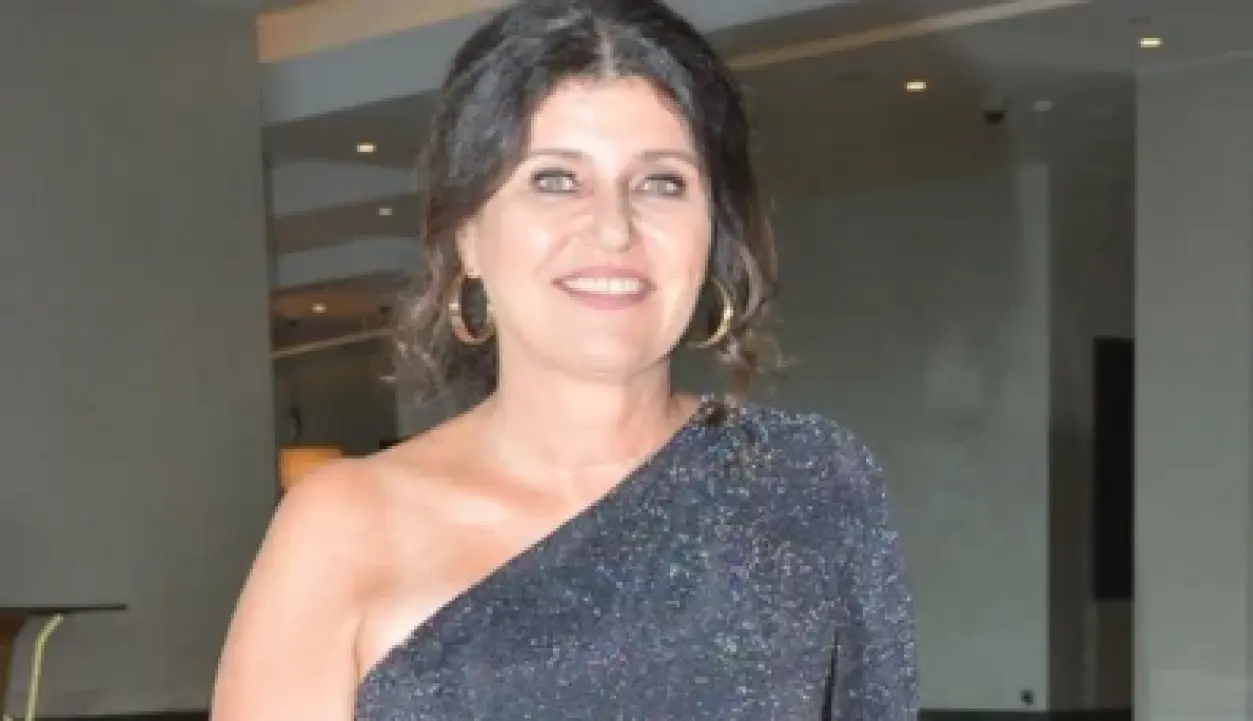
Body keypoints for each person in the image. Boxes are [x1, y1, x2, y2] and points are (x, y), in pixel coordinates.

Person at [211, 0, 919, 719]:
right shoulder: (343, 524)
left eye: (661, 182)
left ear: (715, 230)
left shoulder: (808, 484)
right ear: (467, 234)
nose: (613, 229)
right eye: (554, 179)